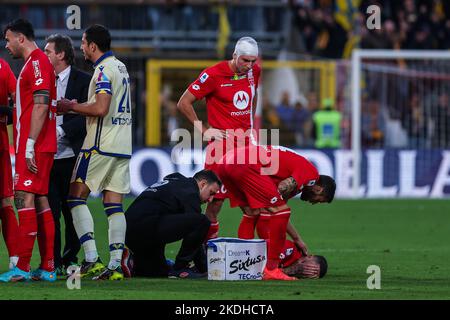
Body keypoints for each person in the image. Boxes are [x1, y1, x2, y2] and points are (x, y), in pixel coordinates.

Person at [57, 24, 133, 281]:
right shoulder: (120, 67)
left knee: (75, 197)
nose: (81, 47)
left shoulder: (102, 70)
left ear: (92, 45)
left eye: (83, 42)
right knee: (114, 205)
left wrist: (71, 106)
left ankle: (91, 258)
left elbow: (101, 108)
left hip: (100, 145)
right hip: (122, 147)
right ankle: (114, 265)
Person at [177, 36, 261, 240]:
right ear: (234, 56)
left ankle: (250, 255)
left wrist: (251, 128)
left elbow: (253, 95)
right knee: (215, 203)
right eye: (245, 61)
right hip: (222, 149)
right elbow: (183, 103)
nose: (249, 66)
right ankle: (204, 251)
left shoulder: (254, 72)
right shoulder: (213, 74)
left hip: (246, 146)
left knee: (253, 205)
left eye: (253, 61)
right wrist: (204, 130)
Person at [215, 144, 335, 280]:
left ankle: (245, 263)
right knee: (281, 211)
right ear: (319, 189)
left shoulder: (297, 180)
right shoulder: (311, 174)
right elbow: (283, 188)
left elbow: (277, 212)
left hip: (226, 162)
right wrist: (274, 198)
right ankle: (271, 269)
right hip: (245, 164)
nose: (313, 203)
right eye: (319, 200)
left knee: (252, 212)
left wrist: (297, 238)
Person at [0, 19, 57, 282]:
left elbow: (41, 105)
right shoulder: (34, 63)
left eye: (8, 39)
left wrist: (30, 144)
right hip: (38, 143)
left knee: (23, 198)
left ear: (20, 38)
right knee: (40, 199)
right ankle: (47, 267)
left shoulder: (35, 62)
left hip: (35, 144)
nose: (6, 44)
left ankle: (21, 267)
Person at [44, 34, 91, 275]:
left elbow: (90, 116)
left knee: (71, 209)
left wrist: (60, 130)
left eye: (48, 51)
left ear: (61, 54)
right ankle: (53, 262)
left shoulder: (84, 80)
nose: (45, 55)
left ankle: (70, 257)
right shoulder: (42, 81)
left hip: (73, 156)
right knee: (50, 212)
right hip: (47, 158)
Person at [123, 170, 221, 278]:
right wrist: (204, 268)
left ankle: (131, 263)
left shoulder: (177, 183)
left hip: (129, 230)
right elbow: (196, 232)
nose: (210, 199)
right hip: (145, 227)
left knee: (157, 272)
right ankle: (180, 268)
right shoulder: (190, 191)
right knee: (202, 221)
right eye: (211, 193)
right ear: (203, 184)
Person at [0, 57, 20, 271]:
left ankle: (16, 259)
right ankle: (15, 260)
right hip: (1, 145)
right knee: (5, 202)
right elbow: (18, 105)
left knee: (5, 202)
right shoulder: (4, 67)